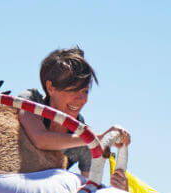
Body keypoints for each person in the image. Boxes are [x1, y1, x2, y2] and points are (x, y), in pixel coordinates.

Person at [15, 47, 130, 181]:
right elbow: (40, 139)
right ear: (50, 88)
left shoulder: (83, 136)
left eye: (85, 91)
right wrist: (93, 139)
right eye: (72, 90)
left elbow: (89, 187)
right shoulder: (31, 99)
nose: (81, 99)